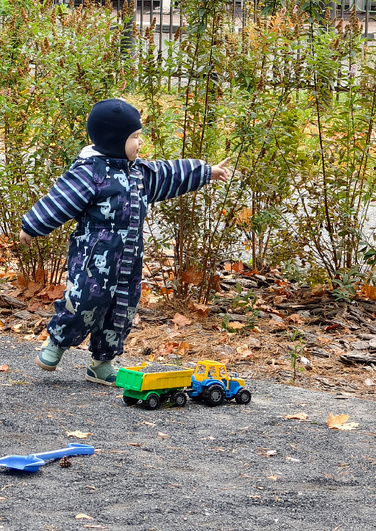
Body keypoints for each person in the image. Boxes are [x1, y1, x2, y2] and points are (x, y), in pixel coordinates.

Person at [18, 99, 231, 384]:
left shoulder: (139, 173)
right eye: (134, 137)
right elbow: (59, 201)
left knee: (122, 309)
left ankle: (101, 362)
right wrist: (32, 227)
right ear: (113, 139)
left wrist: (205, 171)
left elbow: (169, 173)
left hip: (129, 260)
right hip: (94, 259)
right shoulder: (89, 174)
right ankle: (57, 342)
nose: (140, 142)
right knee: (84, 302)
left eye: (139, 135)